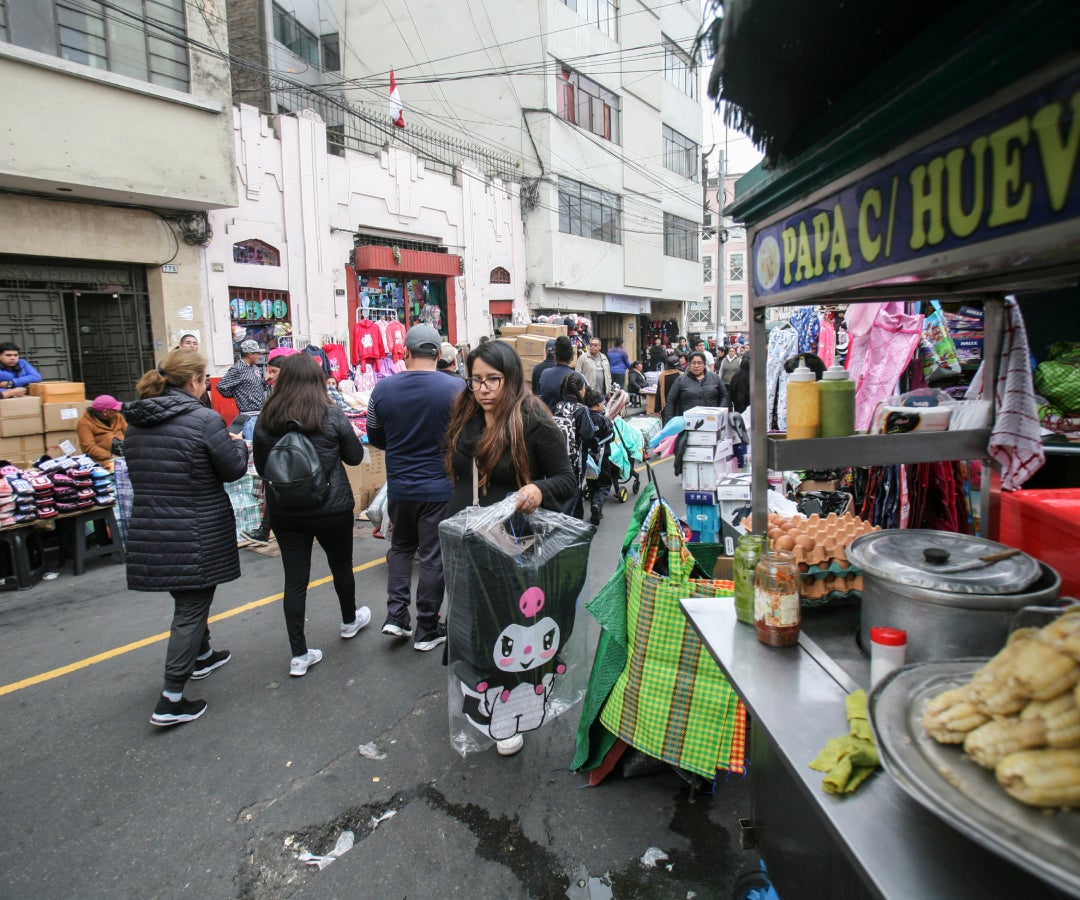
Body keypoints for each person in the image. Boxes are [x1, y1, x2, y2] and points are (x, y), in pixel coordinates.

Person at [443, 341, 576, 757]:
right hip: (467, 537)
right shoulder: (466, 408)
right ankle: (474, 694)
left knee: (506, 623)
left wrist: (536, 488)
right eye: (476, 379)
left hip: (512, 540)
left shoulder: (532, 417)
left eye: (493, 380)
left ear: (512, 378)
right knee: (468, 618)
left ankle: (509, 711)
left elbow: (565, 479)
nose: (483, 389)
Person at [124, 348, 249, 727]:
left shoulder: (137, 422)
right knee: (191, 605)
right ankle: (171, 697)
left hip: (152, 525)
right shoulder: (203, 420)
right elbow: (231, 470)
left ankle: (202, 654)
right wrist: (238, 447)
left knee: (190, 593)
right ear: (195, 381)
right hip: (194, 525)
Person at [252, 354, 369, 677]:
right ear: (318, 379)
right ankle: (349, 620)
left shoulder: (267, 417)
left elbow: (263, 468)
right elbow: (356, 457)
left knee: (295, 580)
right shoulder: (330, 413)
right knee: (341, 566)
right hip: (332, 507)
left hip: (287, 511)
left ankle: (299, 654)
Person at [367, 324, 465, 650]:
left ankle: (396, 617)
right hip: (439, 486)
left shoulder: (382, 389)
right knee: (432, 555)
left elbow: (375, 436)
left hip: (399, 487)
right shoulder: (457, 389)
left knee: (401, 548)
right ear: (438, 354)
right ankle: (427, 626)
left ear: (405, 353)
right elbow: (466, 438)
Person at [552, 372, 595, 519]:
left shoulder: (556, 407)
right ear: (580, 389)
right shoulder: (581, 409)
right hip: (576, 459)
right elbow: (589, 435)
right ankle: (574, 523)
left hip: (558, 457)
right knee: (575, 490)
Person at [215, 339, 267, 440]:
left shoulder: (254, 368)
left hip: (260, 414)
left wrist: (265, 382)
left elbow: (259, 386)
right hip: (249, 416)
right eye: (257, 353)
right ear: (249, 354)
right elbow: (221, 386)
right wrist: (239, 394)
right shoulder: (238, 369)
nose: (259, 356)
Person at [664, 351, 728, 423]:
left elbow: (724, 396)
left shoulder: (715, 378)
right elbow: (671, 401)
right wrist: (670, 423)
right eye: (693, 363)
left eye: (699, 363)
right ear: (689, 364)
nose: (696, 366)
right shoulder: (681, 380)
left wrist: (719, 412)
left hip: (711, 421)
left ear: (704, 364)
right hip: (687, 422)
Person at [582, 389, 613, 526]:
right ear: (598, 404)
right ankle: (597, 504)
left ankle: (596, 509)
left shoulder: (583, 417)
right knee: (605, 483)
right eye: (602, 403)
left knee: (592, 482)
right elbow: (611, 436)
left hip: (586, 457)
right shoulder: (602, 419)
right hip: (601, 456)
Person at [76, 395, 127, 470]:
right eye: (114, 410)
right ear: (105, 412)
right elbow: (89, 447)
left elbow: (128, 433)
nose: (117, 411)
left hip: (125, 452)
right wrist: (111, 456)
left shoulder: (118, 416)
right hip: (104, 460)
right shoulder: (84, 423)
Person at [537, 335, 576, 411]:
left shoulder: (544, 374)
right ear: (572, 357)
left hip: (547, 419)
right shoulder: (576, 376)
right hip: (568, 420)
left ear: (555, 356)